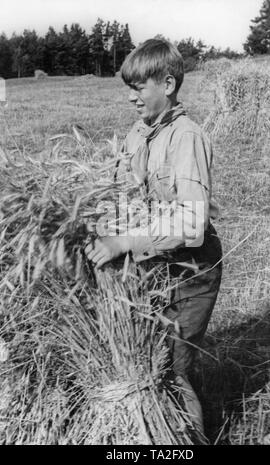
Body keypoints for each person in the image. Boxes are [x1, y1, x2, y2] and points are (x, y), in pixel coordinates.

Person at [85, 38, 222, 444]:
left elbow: (192, 225)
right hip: (156, 265)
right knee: (151, 358)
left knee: (171, 369)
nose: (131, 98)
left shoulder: (186, 138)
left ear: (167, 84)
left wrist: (123, 242)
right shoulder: (136, 135)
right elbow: (121, 194)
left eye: (139, 88)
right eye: (128, 88)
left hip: (192, 272)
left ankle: (189, 443)